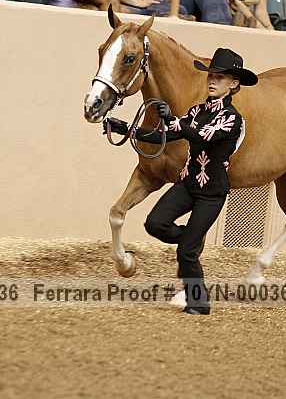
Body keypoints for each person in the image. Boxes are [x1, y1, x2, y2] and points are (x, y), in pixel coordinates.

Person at [103, 48, 258, 315]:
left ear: (234, 84)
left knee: (186, 252)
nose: (212, 81)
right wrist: (126, 129)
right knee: (155, 224)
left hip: (211, 194)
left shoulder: (232, 120)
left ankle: (199, 301)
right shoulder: (196, 111)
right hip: (187, 185)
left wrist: (171, 119)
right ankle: (190, 239)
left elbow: (201, 136)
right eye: (211, 75)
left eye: (220, 77)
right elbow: (163, 135)